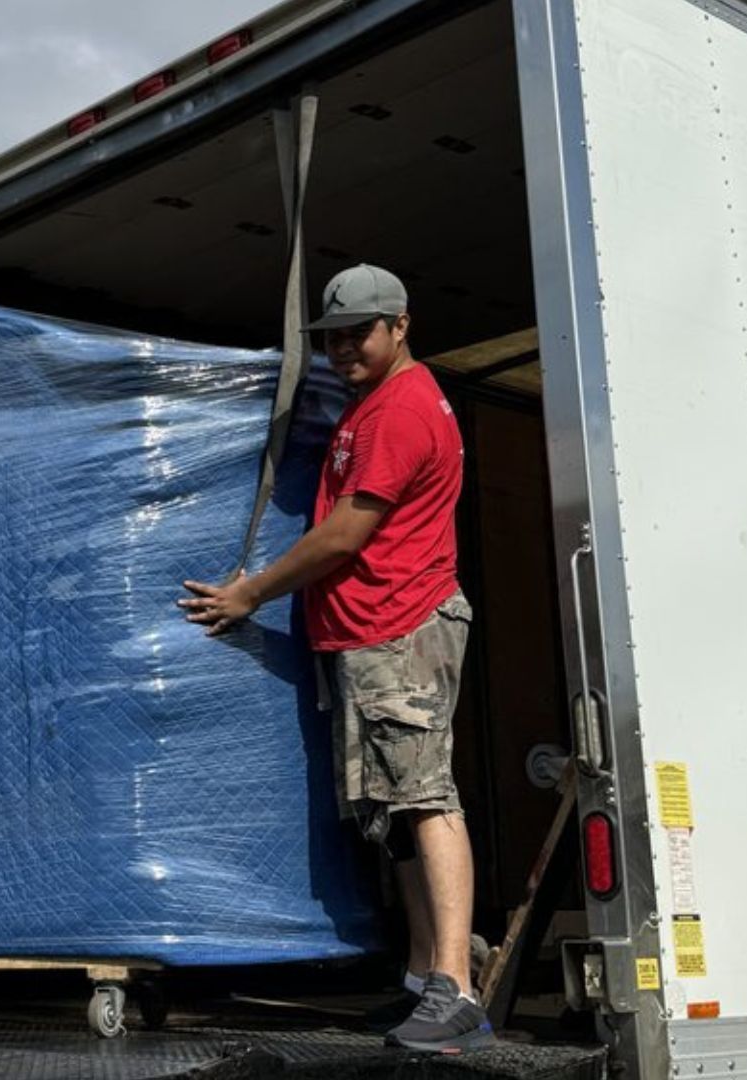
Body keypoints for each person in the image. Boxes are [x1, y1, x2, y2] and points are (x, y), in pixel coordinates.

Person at [178, 264, 491, 1052]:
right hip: (363, 633)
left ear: (402, 325)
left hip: (400, 627)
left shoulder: (402, 409)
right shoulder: (370, 405)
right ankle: (426, 980)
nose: (345, 348)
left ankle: (454, 984)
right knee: (392, 816)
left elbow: (348, 533)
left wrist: (252, 593)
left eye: (361, 332)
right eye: (333, 337)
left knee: (425, 798)